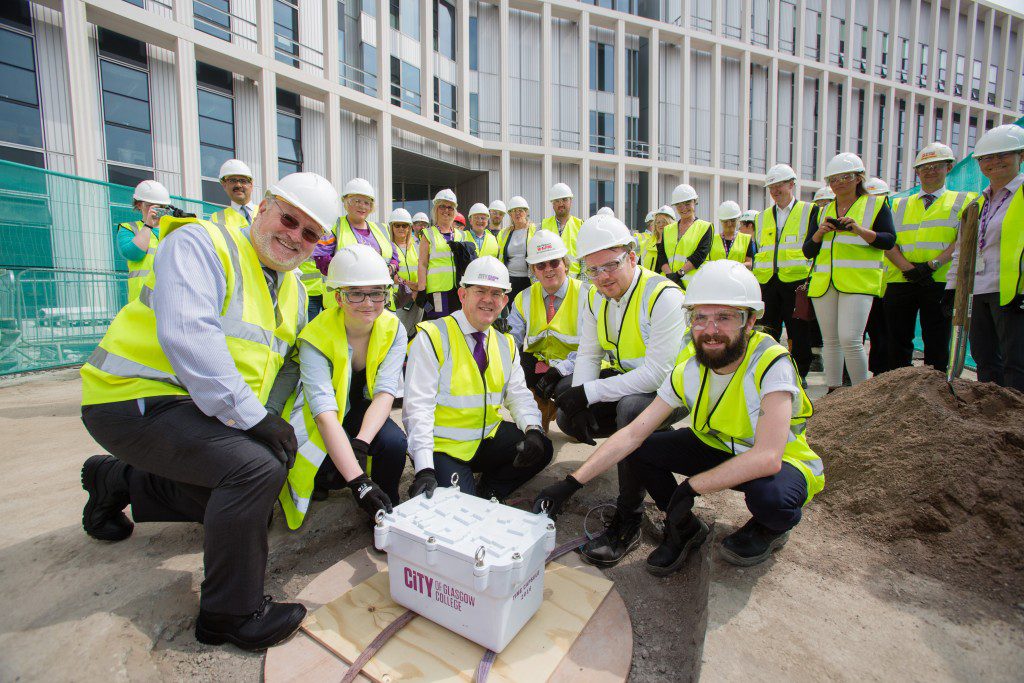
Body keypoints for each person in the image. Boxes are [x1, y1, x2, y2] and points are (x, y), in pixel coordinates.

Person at [79, 172, 340, 650]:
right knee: (254, 470)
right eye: (289, 219)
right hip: (131, 397)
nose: (294, 237)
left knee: (248, 509)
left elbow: (279, 366)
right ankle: (229, 615)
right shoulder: (201, 243)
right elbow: (188, 336)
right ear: (263, 208)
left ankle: (117, 481)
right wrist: (257, 421)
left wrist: (270, 417)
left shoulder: (293, 289)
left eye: (310, 234)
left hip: (197, 409)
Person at [534, 261, 824, 572]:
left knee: (772, 498)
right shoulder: (690, 368)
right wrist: (569, 484)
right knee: (639, 448)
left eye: (725, 317)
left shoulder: (770, 362)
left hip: (777, 462)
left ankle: (771, 528)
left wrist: (690, 487)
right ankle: (684, 528)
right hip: (714, 445)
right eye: (700, 318)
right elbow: (633, 434)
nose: (710, 331)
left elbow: (768, 457)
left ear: (750, 320)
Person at [554, 214, 687, 567]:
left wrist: (592, 394)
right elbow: (589, 352)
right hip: (633, 381)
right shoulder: (595, 296)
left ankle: (629, 517)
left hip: (675, 391)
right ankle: (644, 446)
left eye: (610, 265)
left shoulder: (663, 296)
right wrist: (580, 398)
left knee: (631, 410)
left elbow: (658, 375)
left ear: (632, 256)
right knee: (568, 404)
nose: (602, 277)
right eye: (592, 270)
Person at [403, 256, 553, 499]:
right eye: (480, 291)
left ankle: (489, 492)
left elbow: (518, 395)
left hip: (486, 439)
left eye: (496, 294)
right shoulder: (433, 336)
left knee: (541, 448)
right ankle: (462, 489)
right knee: (460, 511)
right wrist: (424, 468)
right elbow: (417, 408)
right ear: (463, 295)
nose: (488, 299)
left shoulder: (505, 344)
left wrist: (533, 428)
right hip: (444, 447)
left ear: (504, 301)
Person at [280, 244, 407, 528]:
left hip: (363, 409)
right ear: (338, 296)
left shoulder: (393, 328)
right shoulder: (315, 337)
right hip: (322, 417)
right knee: (332, 473)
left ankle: (385, 510)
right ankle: (328, 478)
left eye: (376, 293)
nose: (368, 302)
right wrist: (359, 481)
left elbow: (386, 392)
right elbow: (324, 412)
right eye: (355, 293)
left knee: (394, 443)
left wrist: (361, 442)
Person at [804, 153, 896, 390]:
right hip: (825, 283)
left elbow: (888, 240)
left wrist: (859, 230)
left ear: (858, 178)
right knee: (830, 341)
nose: (839, 183)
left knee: (850, 339)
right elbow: (808, 250)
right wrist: (820, 232)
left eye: (846, 177)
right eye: (834, 179)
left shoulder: (876, 204)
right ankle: (833, 391)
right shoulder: (821, 210)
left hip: (858, 282)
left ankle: (861, 393)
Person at [883, 143, 976, 371]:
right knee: (897, 341)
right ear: (917, 171)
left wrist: (932, 265)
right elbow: (887, 240)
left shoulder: (964, 200)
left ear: (949, 167)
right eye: (925, 167)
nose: (930, 171)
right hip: (900, 279)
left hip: (940, 280)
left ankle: (935, 393)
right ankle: (898, 388)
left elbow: (964, 239)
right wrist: (908, 268)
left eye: (937, 166)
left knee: (936, 340)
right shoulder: (897, 203)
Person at [946, 124, 1024, 391]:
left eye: (1003, 155)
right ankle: (991, 423)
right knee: (986, 360)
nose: (994, 162)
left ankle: (1015, 424)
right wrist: (952, 288)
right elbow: (963, 250)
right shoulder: (978, 203)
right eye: (987, 158)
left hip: (1014, 292)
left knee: (1017, 363)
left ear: (1020, 157)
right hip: (979, 291)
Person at [752, 164, 819, 384]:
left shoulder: (810, 211)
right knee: (767, 329)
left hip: (796, 282)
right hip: (768, 283)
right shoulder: (761, 217)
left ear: (792, 184)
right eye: (771, 186)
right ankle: (768, 371)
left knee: (798, 331)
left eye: (779, 184)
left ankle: (799, 374)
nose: (775, 190)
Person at [508, 231, 592, 402]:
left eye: (554, 263)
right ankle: (538, 408)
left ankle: (554, 407)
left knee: (564, 391)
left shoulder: (588, 295)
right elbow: (512, 341)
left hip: (577, 366)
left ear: (565, 264)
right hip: (540, 365)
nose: (548, 270)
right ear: (533, 271)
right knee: (509, 371)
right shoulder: (523, 298)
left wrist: (560, 369)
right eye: (540, 265)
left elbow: (592, 350)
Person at [313, 178, 399, 314]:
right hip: (345, 302)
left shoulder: (382, 228)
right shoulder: (335, 227)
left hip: (380, 301)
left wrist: (390, 268)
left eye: (366, 203)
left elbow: (394, 258)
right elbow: (321, 258)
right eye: (357, 201)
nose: (362, 206)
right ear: (346, 203)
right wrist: (354, 273)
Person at [117, 180, 169, 302]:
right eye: (151, 205)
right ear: (139, 205)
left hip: (169, 297)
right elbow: (133, 253)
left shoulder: (173, 229)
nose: (156, 210)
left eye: (162, 207)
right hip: (141, 301)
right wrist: (148, 225)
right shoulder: (128, 228)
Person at [416, 189, 464, 320]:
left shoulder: (461, 235)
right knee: (439, 324)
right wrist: (421, 289)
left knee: (456, 323)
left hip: (458, 290)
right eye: (442, 206)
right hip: (438, 290)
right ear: (436, 209)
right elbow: (422, 264)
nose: (446, 210)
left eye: (450, 207)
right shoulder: (428, 233)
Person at [663, 183, 714, 288]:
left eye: (687, 203)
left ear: (695, 202)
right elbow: (662, 256)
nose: (684, 208)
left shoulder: (705, 227)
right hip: (670, 284)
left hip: (694, 286)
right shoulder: (667, 229)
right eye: (679, 205)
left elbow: (700, 255)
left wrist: (678, 274)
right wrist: (670, 276)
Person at [387, 208, 422, 337]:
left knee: (415, 335)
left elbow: (424, 268)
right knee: (398, 335)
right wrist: (408, 285)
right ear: (392, 227)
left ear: (409, 228)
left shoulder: (416, 246)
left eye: (404, 225)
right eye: (397, 225)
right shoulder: (387, 247)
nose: (401, 228)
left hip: (416, 299)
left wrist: (417, 289)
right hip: (398, 298)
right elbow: (390, 274)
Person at [497, 195, 537, 303]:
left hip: (529, 279)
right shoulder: (504, 233)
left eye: (520, 210)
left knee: (528, 309)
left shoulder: (535, 229)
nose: (517, 213)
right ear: (510, 214)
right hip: (510, 279)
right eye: (513, 211)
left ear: (526, 212)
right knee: (511, 311)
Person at [541, 183, 583, 277]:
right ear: (552, 204)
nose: (561, 204)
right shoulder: (542, 226)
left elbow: (586, 260)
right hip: (549, 279)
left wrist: (581, 286)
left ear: (570, 201)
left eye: (564, 200)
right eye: (557, 201)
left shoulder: (581, 226)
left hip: (574, 280)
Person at [210, 159, 256, 229]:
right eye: (232, 181)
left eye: (243, 181)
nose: (238, 185)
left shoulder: (267, 212)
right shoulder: (216, 219)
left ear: (251, 185)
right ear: (224, 185)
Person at [711, 200, 754, 268]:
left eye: (733, 221)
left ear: (738, 220)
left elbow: (749, 263)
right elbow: (707, 262)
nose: (729, 224)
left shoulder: (746, 239)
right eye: (726, 221)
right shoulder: (712, 240)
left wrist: (735, 267)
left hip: (737, 276)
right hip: (717, 276)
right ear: (721, 221)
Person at [638, 205, 676, 272]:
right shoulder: (646, 244)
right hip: (649, 281)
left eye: (664, 222)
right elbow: (639, 266)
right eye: (658, 222)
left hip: (669, 281)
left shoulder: (676, 243)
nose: (661, 225)